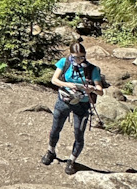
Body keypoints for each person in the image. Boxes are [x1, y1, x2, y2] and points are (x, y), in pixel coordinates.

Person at [41, 41, 107, 174]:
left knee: (79, 133)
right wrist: (68, 84)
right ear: (70, 55)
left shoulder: (93, 69)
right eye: (75, 57)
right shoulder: (64, 63)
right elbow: (54, 80)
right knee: (55, 129)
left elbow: (100, 91)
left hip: (82, 104)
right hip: (64, 100)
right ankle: (51, 151)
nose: (78, 60)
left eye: (81, 57)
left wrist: (93, 89)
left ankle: (72, 160)